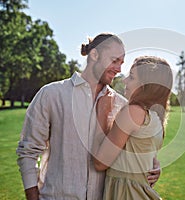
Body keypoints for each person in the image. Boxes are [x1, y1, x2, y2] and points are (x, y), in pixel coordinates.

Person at [16, 33, 160, 200]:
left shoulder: (122, 105)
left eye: (121, 63)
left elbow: (135, 147)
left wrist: (154, 164)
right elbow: (28, 151)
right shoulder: (51, 94)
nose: (119, 69)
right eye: (114, 61)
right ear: (94, 55)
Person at [93, 56, 173, 199]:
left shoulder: (133, 112)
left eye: (131, 77)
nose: (124, 81)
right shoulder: (155, 117)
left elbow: (100, 163)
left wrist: (102, 114)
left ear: (145, 86)